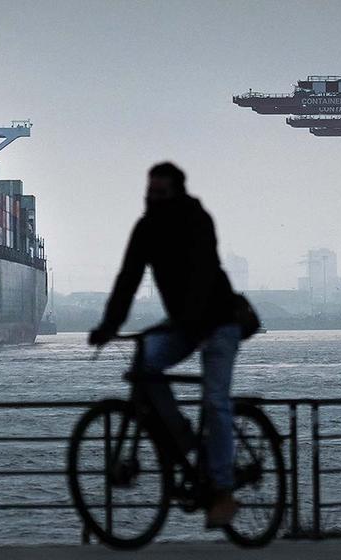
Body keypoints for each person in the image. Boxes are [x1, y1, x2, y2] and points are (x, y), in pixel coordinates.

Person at [89, 162, 242, 528]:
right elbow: (128, 278)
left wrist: (197, 322)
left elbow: (205, 271)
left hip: (218, 320)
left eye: (160, 193)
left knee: (215, 401)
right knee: (145, 364)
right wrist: (109, 326)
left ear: (177, 192)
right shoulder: (146, 229)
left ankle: (223, 490)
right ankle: (183, 438)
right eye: (149, 192)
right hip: (184, 324)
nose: (152, 199)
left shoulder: (196, 219)